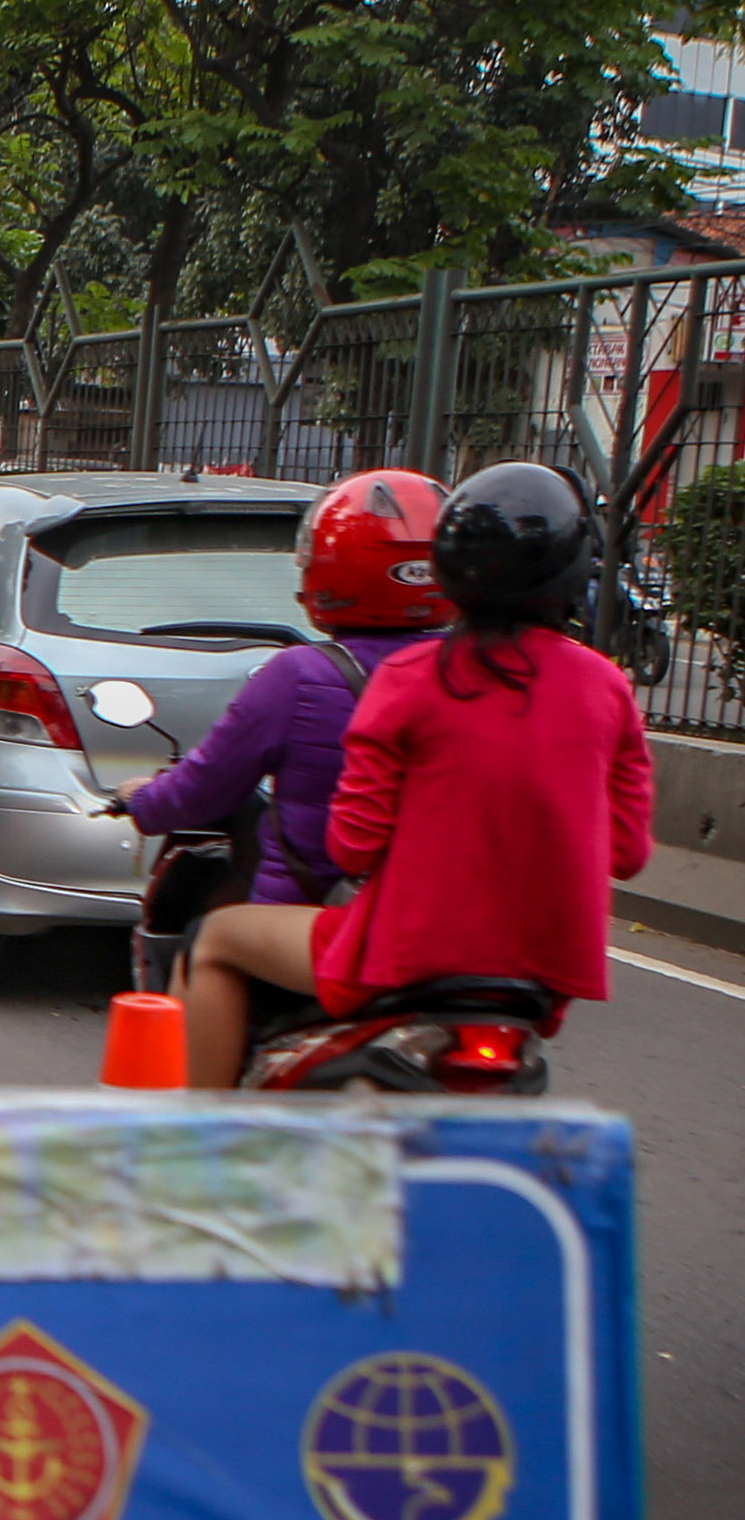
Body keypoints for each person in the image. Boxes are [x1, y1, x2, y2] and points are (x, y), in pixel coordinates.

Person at [155, 461, 652, 1088]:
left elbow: (351, 844)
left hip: (404, 954)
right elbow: (629, 853)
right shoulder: (608, 688)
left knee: (215, 939)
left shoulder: (409, 678)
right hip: (542, 976)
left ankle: (201, 1148)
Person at [123, 469, 449, 1086]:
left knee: (210, 941)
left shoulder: (301, 676)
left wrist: (142, 801)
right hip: (453, 931)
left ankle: (210, 1136)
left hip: (325, 926)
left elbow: (201, 788)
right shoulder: (473, 673)